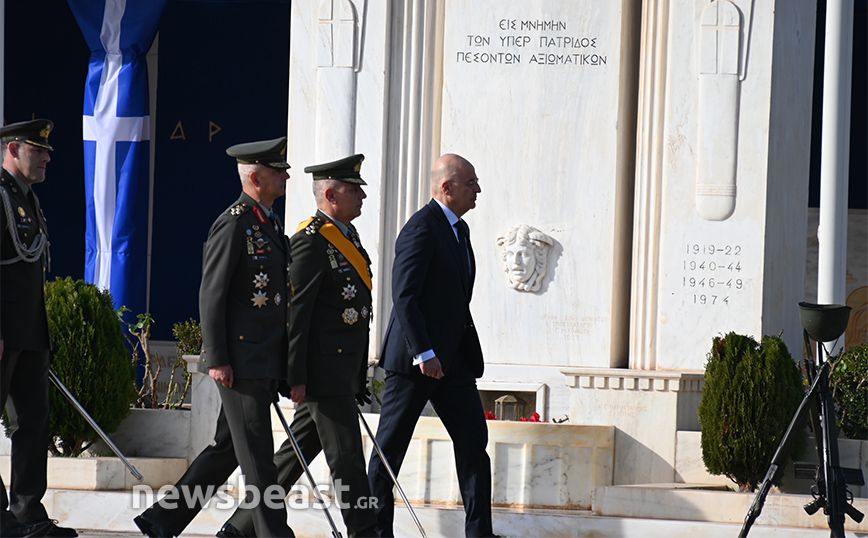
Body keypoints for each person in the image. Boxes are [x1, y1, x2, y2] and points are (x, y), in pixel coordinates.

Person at [133, 137, 294, 538]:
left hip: (263, 358)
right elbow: (212, 293)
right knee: (258, 457)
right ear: (255, 178)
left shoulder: (269, 223)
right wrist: (218, 357)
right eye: (277, 171)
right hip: (240, 361)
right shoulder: (234, 222)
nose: (285, 176)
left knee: (229, 447)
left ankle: (162, 519)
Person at [218, 154, 378, 538]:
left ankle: (239, 528)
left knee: (293, 456)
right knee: (348, 461)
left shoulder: (348, 237)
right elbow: (296, 315)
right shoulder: (310, 241)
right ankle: (365, 532)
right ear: (331, 195)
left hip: (340, 369)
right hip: (323, 372)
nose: (362, 197)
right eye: (354, 190)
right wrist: (296, 376)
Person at [368, 154, 498, 537]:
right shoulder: (420, 229)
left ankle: (479, 533)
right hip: (417, 363)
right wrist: (424, 352)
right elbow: (404, 296)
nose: (478, 189)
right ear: (447, 187)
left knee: (474, 443)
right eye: (471, 183)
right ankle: (375, 531)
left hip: (454, 362)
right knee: (388, 452)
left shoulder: (460, 230)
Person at [0, 119, 77, 538]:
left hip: (29, 330)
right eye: (38, 150)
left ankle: (28, 512)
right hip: (3, 330)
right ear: (13, 149)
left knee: (32, 424)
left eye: (46, 150)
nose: (47, 157)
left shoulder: (26, 198)